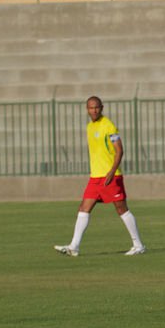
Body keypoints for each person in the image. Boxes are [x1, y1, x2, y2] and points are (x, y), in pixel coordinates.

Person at [54, 96, 145, 257]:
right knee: (84, 208)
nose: (93, 110)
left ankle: (138, 245)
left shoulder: (108, 125)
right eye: (90, 108)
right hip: (95, 177)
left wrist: (111, 172)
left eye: (96, 107)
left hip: (111, 176)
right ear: (87, 109)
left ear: (101, 108)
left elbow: (119, 150)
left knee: (121, 209)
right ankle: (74, 247)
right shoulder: (90, 127)